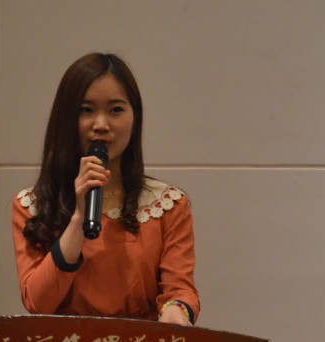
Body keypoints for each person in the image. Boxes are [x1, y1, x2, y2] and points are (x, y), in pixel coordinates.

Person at [12, 52, 199, 326]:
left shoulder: (167, 204)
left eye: (116, 110)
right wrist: (78, 218)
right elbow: (38, 302)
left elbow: (180, 289)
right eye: (86, 110)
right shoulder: (33, 205)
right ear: (66, 119)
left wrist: (177, 310)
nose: (101, 125)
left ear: (135, 119)